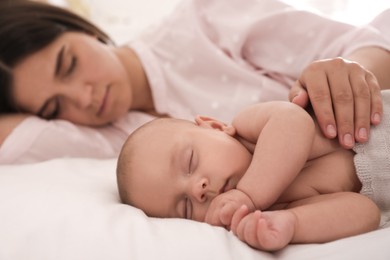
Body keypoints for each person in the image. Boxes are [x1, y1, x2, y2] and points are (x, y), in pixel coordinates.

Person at [1, 0, 390, 164]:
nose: (82, 99)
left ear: (75, 25)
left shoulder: (206, 17)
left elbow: (365, 46)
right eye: (55, 107)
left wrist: (352, 71)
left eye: (67, 65)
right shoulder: (106, 139)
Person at [116, 90, 390, 251]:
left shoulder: (250, 129)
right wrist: (293, 224)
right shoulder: (277, 207)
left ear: (214, 126)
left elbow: (294, 121)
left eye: (190, 162)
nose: (197, 190)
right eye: (185, 206)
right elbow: (364, 212)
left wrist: (249, 194)